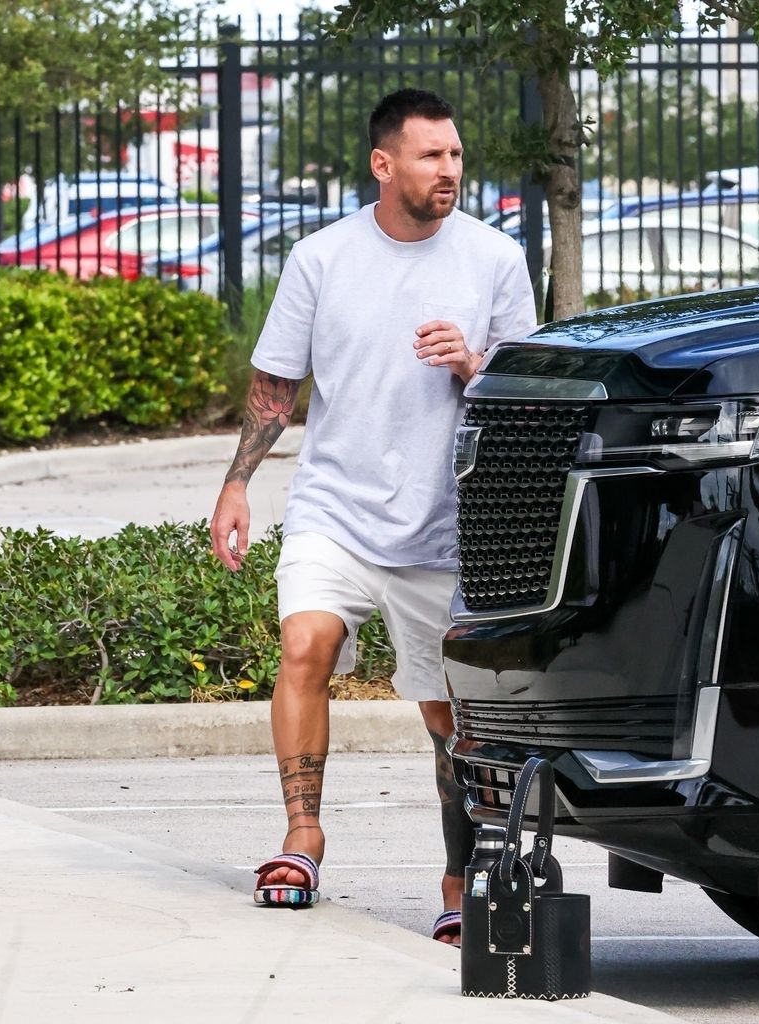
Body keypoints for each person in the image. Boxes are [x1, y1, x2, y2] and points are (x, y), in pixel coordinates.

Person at [209, 88, 537, 944]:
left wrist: (472, 363)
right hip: (336, 509)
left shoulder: (496, 260)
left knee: (447, 717)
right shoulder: (322, 259)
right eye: (433, 156)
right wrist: (238, 482)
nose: (451, 171)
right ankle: (303, 837)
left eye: (457, 155)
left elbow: (524, 398)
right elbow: (278, 387)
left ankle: (462, 885)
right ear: (383, 164)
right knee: (304, 644)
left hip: (441, 527)